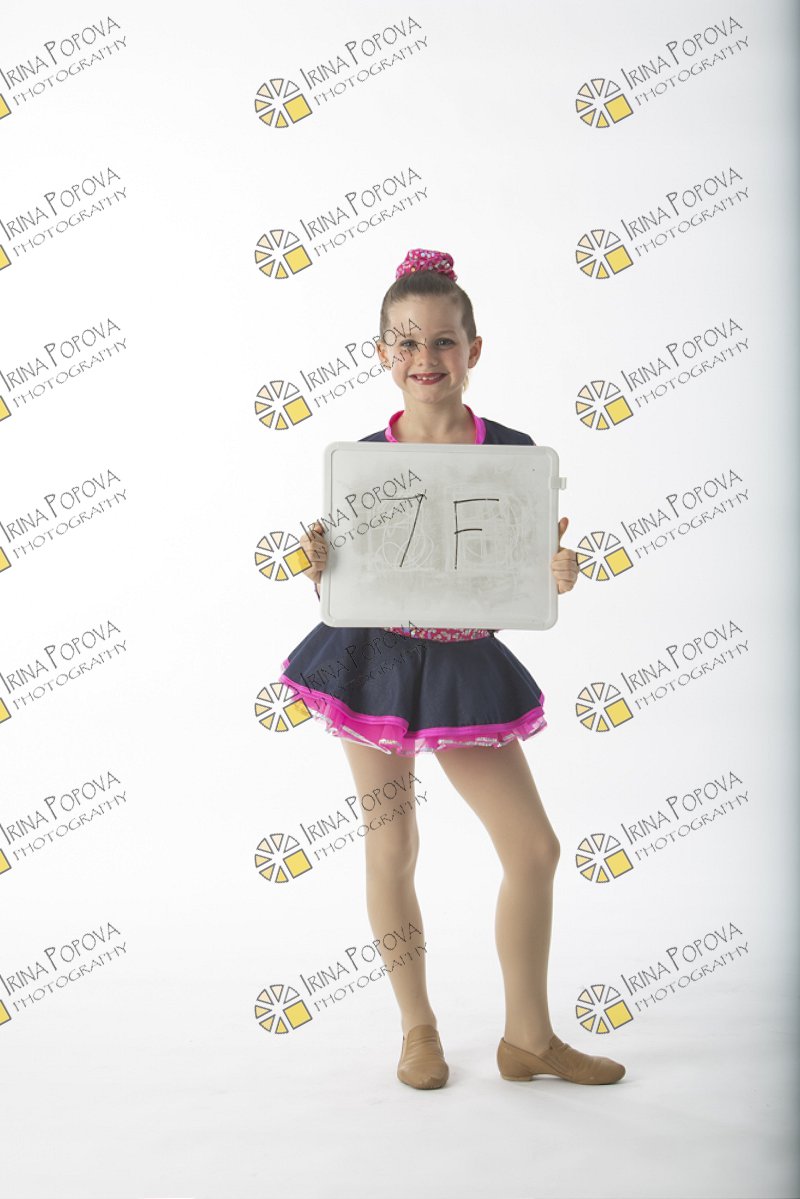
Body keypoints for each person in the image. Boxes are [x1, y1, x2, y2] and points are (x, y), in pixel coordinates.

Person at [278, 248, 625, 1090]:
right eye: (406, 342)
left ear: (474, 349)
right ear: (381, 354)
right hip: (373, 660)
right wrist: (319, 563)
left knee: (533, 848)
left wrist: (555, 571)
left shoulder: (512, 455)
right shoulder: (362, 461)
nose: (425, 358)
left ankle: (528, 1037)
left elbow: (510, 576)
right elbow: (356, 580)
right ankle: (418, 1027)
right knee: (392, 843)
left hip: (465, 664)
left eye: (442, 341)